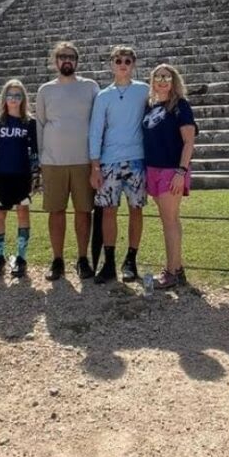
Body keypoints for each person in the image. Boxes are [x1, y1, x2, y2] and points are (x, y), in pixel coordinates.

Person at [34, 41, 100, 281]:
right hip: (53, 161)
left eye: (71, 56)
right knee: (56, 211)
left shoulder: (90, 87)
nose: (66, 60)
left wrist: (96, 160)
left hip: (83, 159)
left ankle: (83, 258)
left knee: (84, 211)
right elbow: (40, 124)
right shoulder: (45, 90)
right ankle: (57, 259)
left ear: (77, 61)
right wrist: (41, 158)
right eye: (62, 56)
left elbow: (98, 121)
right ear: (55, 61)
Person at [88, 45, 150, 284]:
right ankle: (110, 262)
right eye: (118, 60)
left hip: (137, 159)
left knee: (136, 209)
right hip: (109, 160)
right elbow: (95, 132)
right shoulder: (103, 96)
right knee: (109, 211)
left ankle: (131, 260)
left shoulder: (144, 90)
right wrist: (95, 166)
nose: (122, 64)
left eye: (127, 60)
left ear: (133, 64)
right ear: (111, 64)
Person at [143, 63, 196, 289]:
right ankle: (177, 268)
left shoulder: (181, 106)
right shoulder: (150, 106)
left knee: (170, 220)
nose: (162, 81)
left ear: (173, 81)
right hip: (153, 169)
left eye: (167, 77)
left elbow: (189, 142)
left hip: (171, 170)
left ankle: (172, 271)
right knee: (168, 220)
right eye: (158, 77)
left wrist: (181, 172)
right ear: (153, 82)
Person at [0, 79, 39, 279]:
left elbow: (34, 152)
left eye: (18, 95)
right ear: (4, 98)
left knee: (23, 213)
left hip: (22, 176)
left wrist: (35, 177)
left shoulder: (30, 122)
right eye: (10, 95)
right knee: (0, 215)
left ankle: (21, 257)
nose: (14, 99)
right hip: (1, 176)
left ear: (23, 98)